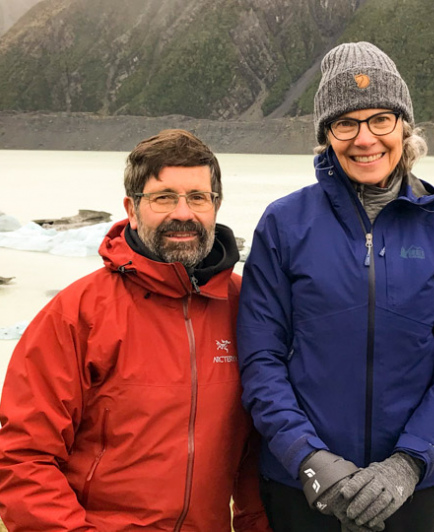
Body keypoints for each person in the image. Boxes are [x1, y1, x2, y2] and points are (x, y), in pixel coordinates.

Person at [237, 42, 434, 532]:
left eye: (380, 120)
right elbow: (260, 360)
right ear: (327, 135)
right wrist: (308, 458)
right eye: (345, 123)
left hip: (409, 491)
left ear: (404, 126)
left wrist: (409, 463)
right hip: (300, 489)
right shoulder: (285, 224)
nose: (364, 138)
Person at [0, 129, 271, 532]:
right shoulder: (78, 314)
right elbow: (24, 456)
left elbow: (256, 453)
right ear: (132, 207)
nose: (184, 213)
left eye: (198, 197)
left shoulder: (243, 306)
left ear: (216, 205)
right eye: (164, 197)